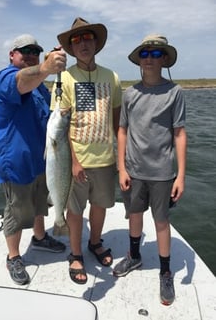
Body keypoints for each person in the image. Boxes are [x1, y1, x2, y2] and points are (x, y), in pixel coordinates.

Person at [113, 34, 187, 306]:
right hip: (133, 170)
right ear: (139, 59)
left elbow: (179, 133)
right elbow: (122, 130)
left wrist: (180, 174)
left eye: (156, 54)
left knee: (161, 222)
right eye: (145, 54)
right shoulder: (130, 93)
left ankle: (166, 272)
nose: (149, 59)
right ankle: (134, 255)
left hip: (163, 173)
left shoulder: (175, 92)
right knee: (134, 215)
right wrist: (121, 167)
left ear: (164, 59)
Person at [0, 34, 67, 285]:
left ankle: (40, 237)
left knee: (38, 202)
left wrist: (49, 73)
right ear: (12, 54)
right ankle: (13, 256)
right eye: (25, 51)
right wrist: (45, 67)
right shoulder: (4, 78)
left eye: (36, 50)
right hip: (15, 160)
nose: (31, 54)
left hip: (41, 158)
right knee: (17, 209)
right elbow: (20, 82)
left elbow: (53, 112)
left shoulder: (39, 87)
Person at [51, 17, 122, 284]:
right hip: (76, 160)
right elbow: (59, 127)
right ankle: (76, 253)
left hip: (105, 157)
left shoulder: (112, 77)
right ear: (71, 47)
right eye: (77, 39)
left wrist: (121, 156)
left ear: (96, 42)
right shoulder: (64, 79)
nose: (83, 43)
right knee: (75, 210)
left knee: (101, 205)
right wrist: (74, 161)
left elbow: (117, 122)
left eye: (87, 37)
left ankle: (94, 243)